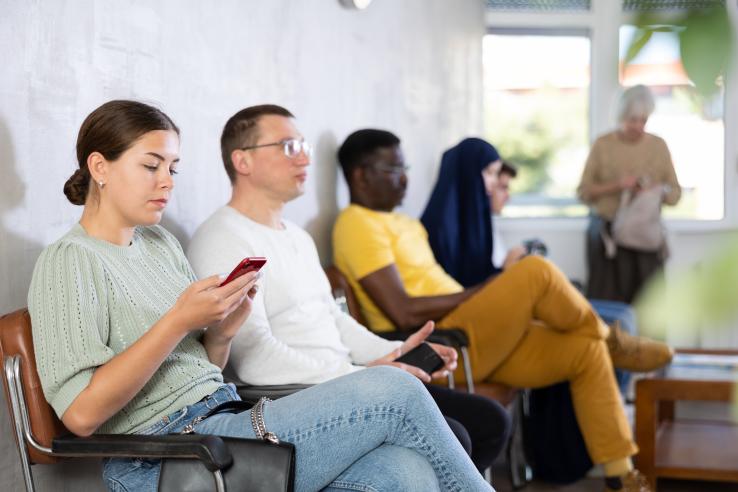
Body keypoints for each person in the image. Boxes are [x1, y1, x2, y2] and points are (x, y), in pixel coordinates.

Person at [27, 100, 493, 492]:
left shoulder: (158, 244)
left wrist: (222, 333)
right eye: (151, 165)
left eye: (173, 167)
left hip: (221, 424)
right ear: (99, 167)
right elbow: (82, 415)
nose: (167, 180)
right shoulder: (69, 261)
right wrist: (177, 321)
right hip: (169, 458)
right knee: (397, 391)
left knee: (404, 472)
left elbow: (198, 373)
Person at [332, 129, 672, 491]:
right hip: (441, 346)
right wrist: (488, 290)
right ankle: (614, 341)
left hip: (471, 333)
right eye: (394, 169)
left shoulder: (406, 223)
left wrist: (487, 294)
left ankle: (621, 475)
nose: (406, 178)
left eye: (406, 167)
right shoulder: (356, 224)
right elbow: (401, 311)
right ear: (360, 175)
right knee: (534, 271)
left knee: (584, 351)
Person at [187, 104, 511, 474]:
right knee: (457, 434)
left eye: (304, 145)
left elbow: (334, 321)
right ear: (242, 161)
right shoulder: (224, 240)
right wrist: (359, 373)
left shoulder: (298, 237)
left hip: (344, 378)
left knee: (489, 422)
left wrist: (398, 352)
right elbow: (254, 359)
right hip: (296, 396)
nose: (305, 157)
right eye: (288, 147)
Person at [424, 147, 636, 395]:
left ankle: (618, 368)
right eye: (491, 175)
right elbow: (467, 284)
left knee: (618, 317)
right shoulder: (439, 229)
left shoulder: (479, 224)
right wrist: (507, 271)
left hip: (499, 305)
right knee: (600, 321)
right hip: (474, 324)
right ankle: (618, 347)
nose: (494, 187)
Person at [578, 85, 681, 304]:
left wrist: (655, 191)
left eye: (644, 120)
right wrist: (618, 185)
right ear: (621, 116)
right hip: (608, 241)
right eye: (632, 119)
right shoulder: (603, 144)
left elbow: (675, 194)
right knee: (609, 307)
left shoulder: (658, 146)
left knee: (649, 307)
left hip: (645, 239)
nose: (638, 126)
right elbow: (583, 192)